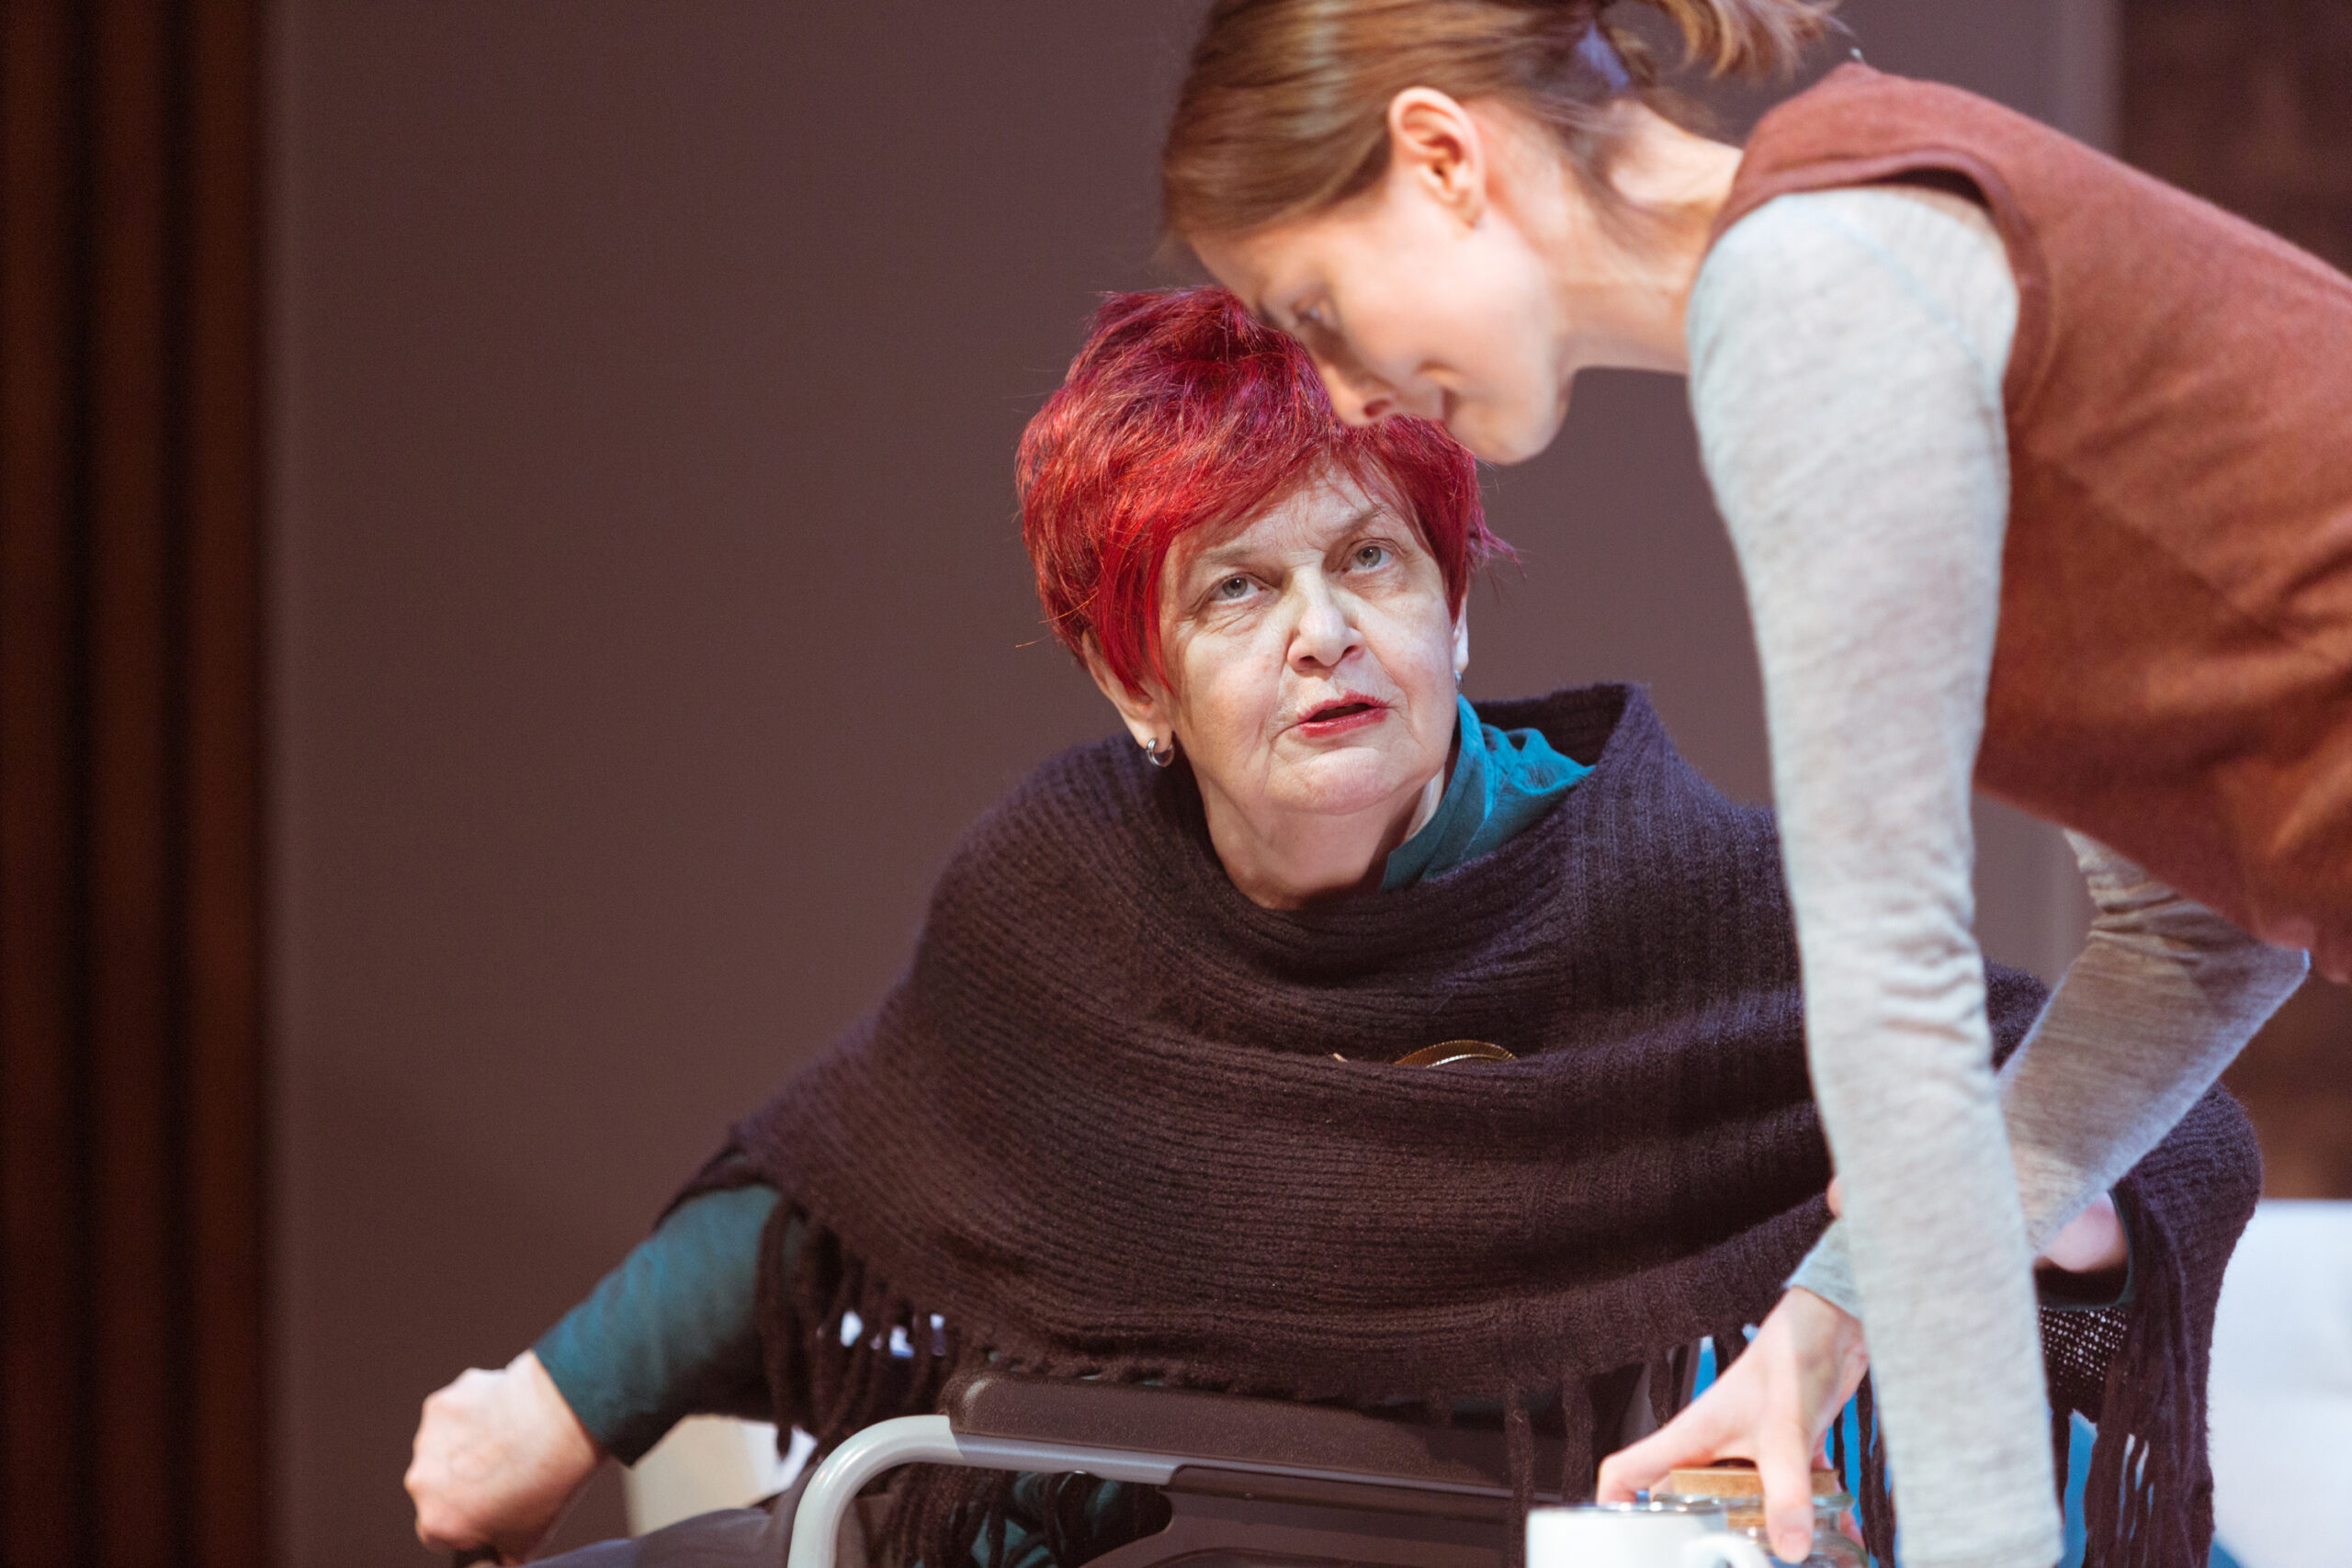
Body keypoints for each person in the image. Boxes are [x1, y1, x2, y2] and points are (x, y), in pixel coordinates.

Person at [405, 289, 2245, 1568]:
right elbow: (846, 1189)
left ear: (1454, 612)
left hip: (1516, 1537)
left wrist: (2047, 1202)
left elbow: (2155, 1129)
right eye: (1238, 588)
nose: (1325, 631)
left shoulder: (1673, 892)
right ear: (1134, 678)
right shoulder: (1063, 893)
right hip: (1114, 1523)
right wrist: (552, 1404)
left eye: (1371, 561)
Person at [1156, 3, 2344, 1562]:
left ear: (1442, 158)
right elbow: (2203, 929)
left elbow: (1894, 985)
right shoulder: (1854, 220)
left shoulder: (1808, 298)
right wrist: (1833, 1319)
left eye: (1316, 305)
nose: (1345, 389)